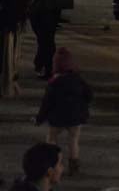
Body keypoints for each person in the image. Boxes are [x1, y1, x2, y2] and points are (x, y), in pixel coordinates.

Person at [34, 47, 92, 177]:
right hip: (75, 117)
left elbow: (46, 103)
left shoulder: (53, 83)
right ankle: (74, 165)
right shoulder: (78, 80)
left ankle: (52, 163)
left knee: (52, 138)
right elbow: (89, 95)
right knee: (73, 140)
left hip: (57, 117)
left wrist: (40, 118)